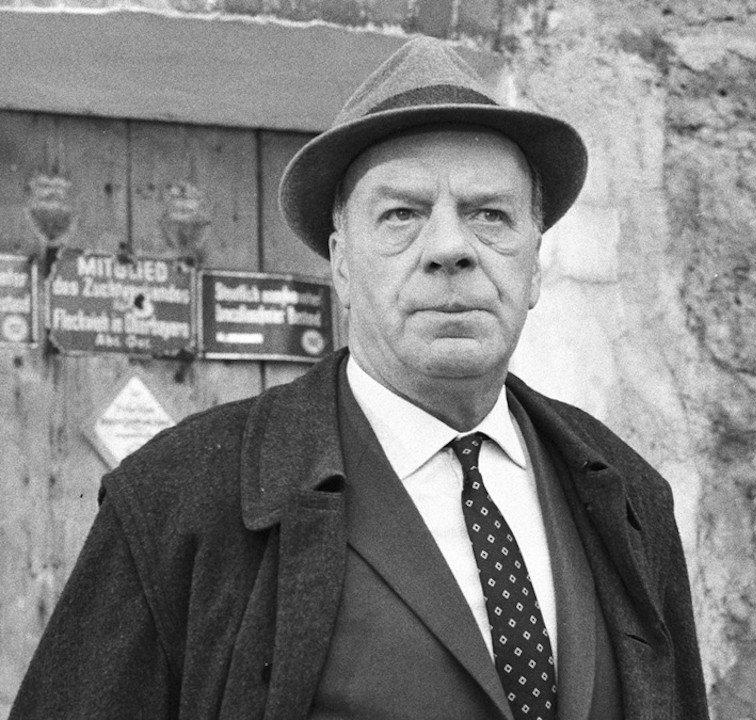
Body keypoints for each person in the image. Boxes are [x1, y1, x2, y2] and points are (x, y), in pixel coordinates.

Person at [10, 37, 708, 720]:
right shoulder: (177, 500)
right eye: (402, 214)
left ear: (534, 265)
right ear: (341, 264)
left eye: (490, 215)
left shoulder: (629, 497)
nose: (449, 248)